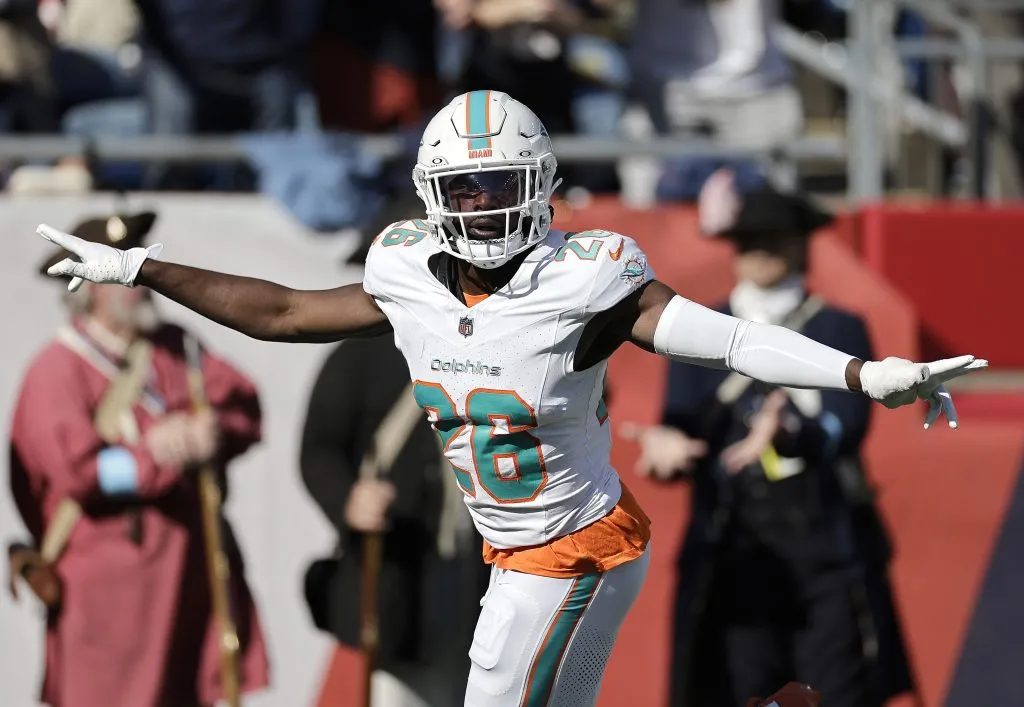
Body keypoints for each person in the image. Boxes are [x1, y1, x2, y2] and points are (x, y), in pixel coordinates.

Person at [33, 90, 985, 706]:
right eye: (466, 187)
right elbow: (279, 309)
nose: (483, 205)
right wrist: (140, 266)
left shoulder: (585, 277)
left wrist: (865, 374)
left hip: (575, 545)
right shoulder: (405, 269)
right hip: (520, 546)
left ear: (538, 188)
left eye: (500, 186)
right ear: (433, 192)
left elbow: (729, 337)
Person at [627, 169, 916, 707]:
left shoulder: (838, 327)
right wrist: (666, 446)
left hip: (823, 547)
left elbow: (845, 428)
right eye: (749, 241)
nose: (761, 252)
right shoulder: (699, 324)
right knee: (737, 690)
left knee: (833, 692)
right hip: (732, 549)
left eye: (775, 239)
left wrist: (789, 433)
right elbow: (681, 425)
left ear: (800, 244)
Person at [10, 212, 269, 707]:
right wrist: (153, 455)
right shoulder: (56, 370)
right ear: (89, 288)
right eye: (122, 274)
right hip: (111, 597)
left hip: (189, 582)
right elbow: (80, 475)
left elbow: (244, 408)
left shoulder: (177, 348)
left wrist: (211, 433)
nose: (139, 285)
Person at [300, 335, 488, 706]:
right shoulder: (360, 351)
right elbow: (319, 449)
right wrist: (349, 498)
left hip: (475, 569)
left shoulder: (485, 342)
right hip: (394, 578)